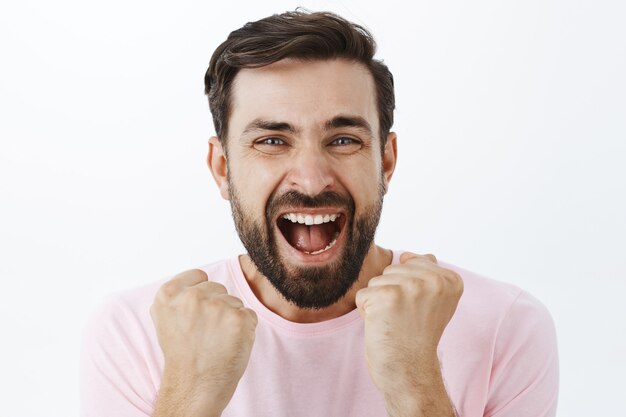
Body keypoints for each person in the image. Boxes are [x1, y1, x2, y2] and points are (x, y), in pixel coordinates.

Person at [80, 10, 559, 417]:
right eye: (272, 141)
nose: (310, 180)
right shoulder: (137, 331)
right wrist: (191, 394)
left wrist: (415, 384)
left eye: (344, 140)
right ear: (222, 168)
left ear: (386, 162)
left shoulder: (504, 325)